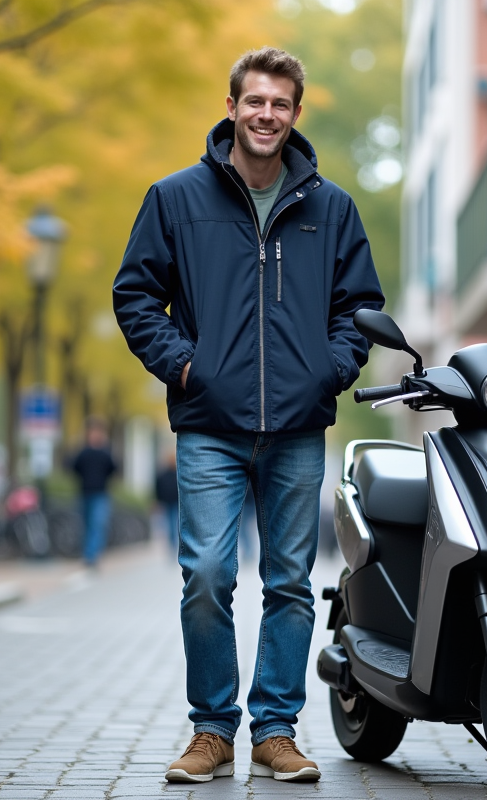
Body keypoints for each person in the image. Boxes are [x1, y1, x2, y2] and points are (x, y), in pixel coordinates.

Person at [113, 47, 384, 784]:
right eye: (255, 101)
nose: (267, 115)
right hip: (209, 426)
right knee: (205, 573)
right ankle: (211, 731)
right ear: (231, 107)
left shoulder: (330, 209)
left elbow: (360, 310)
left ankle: (274, 729)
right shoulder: (174, 199)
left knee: (291, 581)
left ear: (296, 114)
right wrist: (184, 364)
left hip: (297, 428)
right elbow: (136, 296)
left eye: (282, 104)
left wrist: (325, 372)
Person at [70, 418, 117, 568]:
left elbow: (113, 468)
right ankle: (88, 553)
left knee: (97, 524)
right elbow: (74, 467)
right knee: (86, 525)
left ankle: (92, 555)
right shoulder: (83, 452)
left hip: (100, 494)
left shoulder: (105, 453)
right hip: (84, 493)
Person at [154, 450, 179, 552]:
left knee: (172, 523)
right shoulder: (165, 475)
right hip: (169, 502)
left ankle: (173, 543)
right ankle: (172, 543)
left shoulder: (176, 474)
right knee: (171, 523)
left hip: (175, 502)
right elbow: (158, 488)